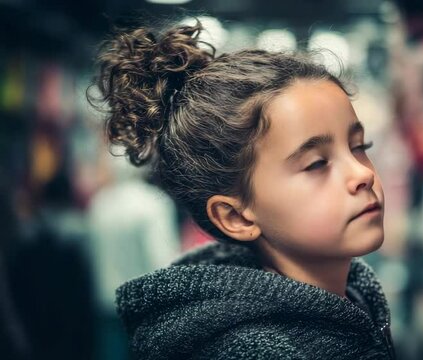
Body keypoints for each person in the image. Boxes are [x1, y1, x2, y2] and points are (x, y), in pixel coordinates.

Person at [91, 21, 395, 359]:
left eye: (358, 146)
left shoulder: (355, 299)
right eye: (316, 164)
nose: (361, 174)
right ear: (236, 216)